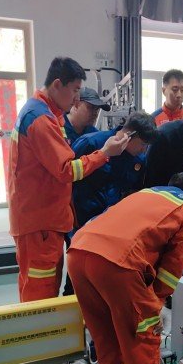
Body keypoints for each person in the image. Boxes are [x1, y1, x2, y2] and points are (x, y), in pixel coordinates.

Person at [67, 172, 183, 364]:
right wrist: (156, 303)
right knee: (141, 334)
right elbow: (174, 264)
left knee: (105, 333)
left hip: (78, 251)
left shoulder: (146, 193)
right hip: (117, 261)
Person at [7, 56, 128, 303]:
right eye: (74, 90)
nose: (76, 99)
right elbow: (66, 170)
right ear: (57, 85)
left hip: (46, 218)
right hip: (39, 222)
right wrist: (104, 153)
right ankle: (40, 329)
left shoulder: (48, 113)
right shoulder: (40, 119)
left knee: (48, 285)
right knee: (40, 295)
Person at [62, 112, 159, 296]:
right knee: (77, 275)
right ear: (129, 135)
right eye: (142, 144)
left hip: (109, 226)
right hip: (81, 221)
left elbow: (132, 191)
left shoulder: (138, 159)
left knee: (102, 274)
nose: (144, 150)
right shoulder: (92, 143)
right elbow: (67, 179)